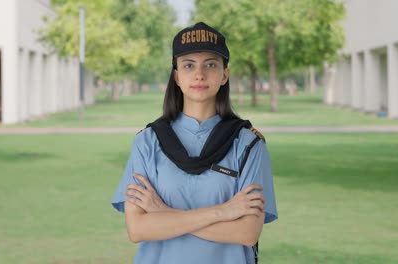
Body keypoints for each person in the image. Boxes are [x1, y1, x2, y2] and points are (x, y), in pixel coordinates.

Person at [111, 22, 278, 264]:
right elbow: (138, 229)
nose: (199, 74)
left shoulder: (248, 145)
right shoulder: (147, 142)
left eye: (210, 65)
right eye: (189, 65)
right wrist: (223, 212)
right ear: (177, 76)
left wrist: (163, 214)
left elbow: (246, 233)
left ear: (224, 75)